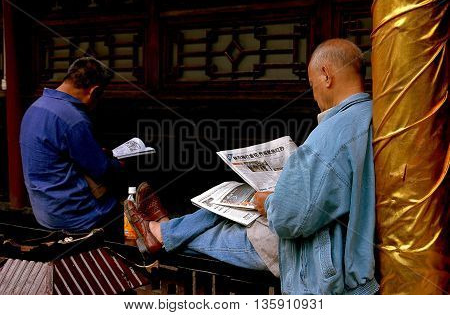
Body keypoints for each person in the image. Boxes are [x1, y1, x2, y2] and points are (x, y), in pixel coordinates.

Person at [127, 38, 378, 294]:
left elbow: (289, 219)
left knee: (219, 233)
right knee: (231, 200)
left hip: (316, 258)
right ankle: (163, 230)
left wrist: (268, 203)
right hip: (340, 245)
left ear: (326, 75)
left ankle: (162, 234)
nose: (314, 97)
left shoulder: (331, 134)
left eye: (312, 86)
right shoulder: (373, 116)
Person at [20, 57, 125, 238]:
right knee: (127, 215)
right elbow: (103, 170)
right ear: (94, 91)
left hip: (43, 210)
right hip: (75, 215)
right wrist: (119, 164)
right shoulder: (73, 119)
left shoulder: (35, 107)